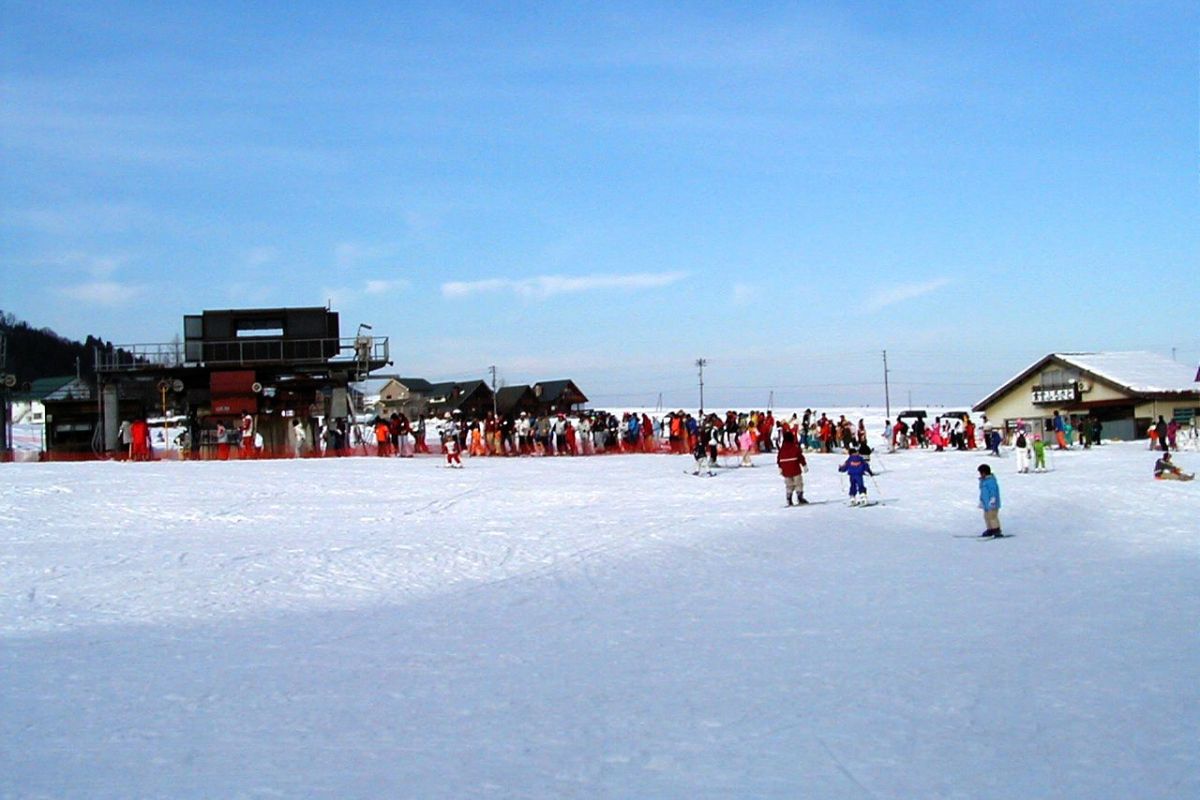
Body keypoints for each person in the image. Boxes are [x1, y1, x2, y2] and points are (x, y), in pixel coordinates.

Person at [776, 431, 808, 506]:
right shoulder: (795, 447)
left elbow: (779, 459)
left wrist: (780, 467)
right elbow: (800, 457)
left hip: (786, 470)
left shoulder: (782, 449)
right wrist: (804, 465)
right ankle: (799, 496)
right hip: (795, 469)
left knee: (789, 484)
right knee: (798, 483)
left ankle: (789, 498)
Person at [977, 463, 1003, 537]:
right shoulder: (983, 481)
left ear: (984, 473)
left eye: (981, 473)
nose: (980, 475)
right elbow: (983, 492)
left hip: (992, 503)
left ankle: (996, 529)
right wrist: (981, 501)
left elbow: (993, 491)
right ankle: (990, 529)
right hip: (986, 503)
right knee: (986, 516)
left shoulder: (991, 481)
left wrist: (993, 499)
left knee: (992, 517)